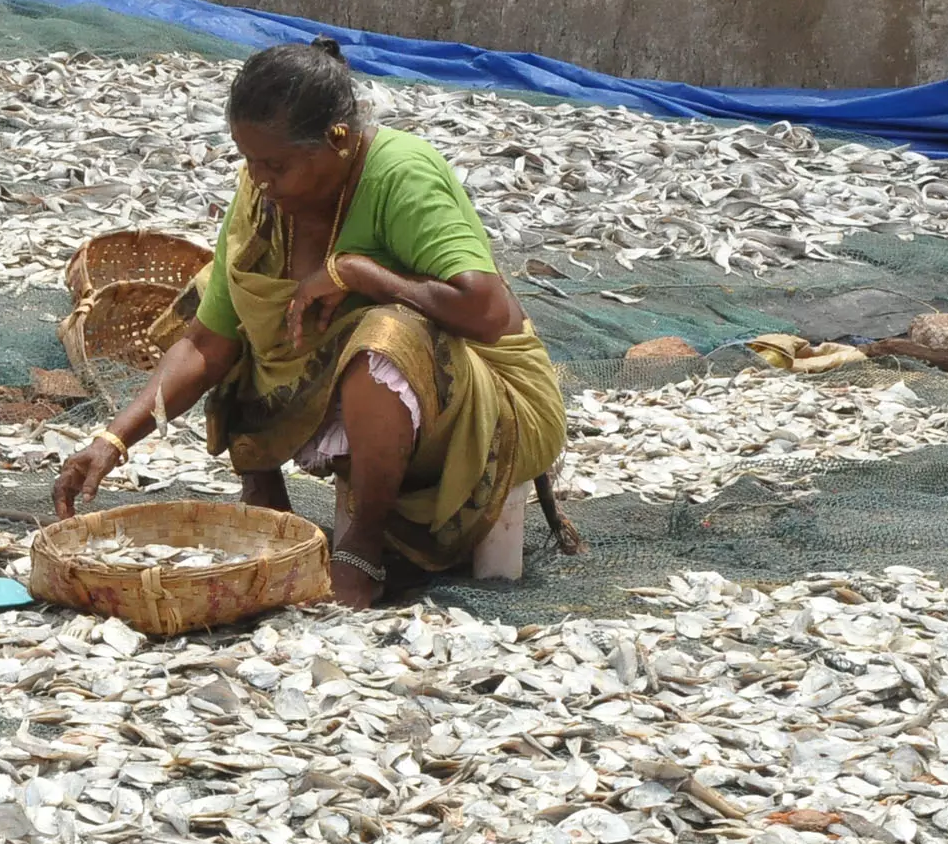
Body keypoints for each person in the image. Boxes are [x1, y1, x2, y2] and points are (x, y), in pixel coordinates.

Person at [52, 40, 568, 608]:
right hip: (353, 392)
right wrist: (111, 441)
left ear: (339, 142)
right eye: (248, 159)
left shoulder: (402, 174)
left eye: (277, 165)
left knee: (386, 336)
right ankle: (266, 495)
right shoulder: (260, 196)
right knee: (231, 290)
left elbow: (488, 313)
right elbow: (207, 344)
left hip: (490, 404)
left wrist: (359, 274)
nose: (259, 179)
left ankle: (361, 548)